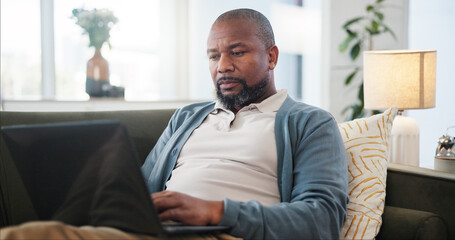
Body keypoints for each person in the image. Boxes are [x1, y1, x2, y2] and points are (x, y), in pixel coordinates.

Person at [1, 8, 348, 240]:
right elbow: (139, 186)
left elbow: (322, 219)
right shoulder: (188, 117)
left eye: (237, 52)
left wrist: (216, 212)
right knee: (29, 233)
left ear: (271, 56)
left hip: (224, 234)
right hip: (157, 233)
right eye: (214, 56)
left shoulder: (310, 123)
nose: (222, 66)